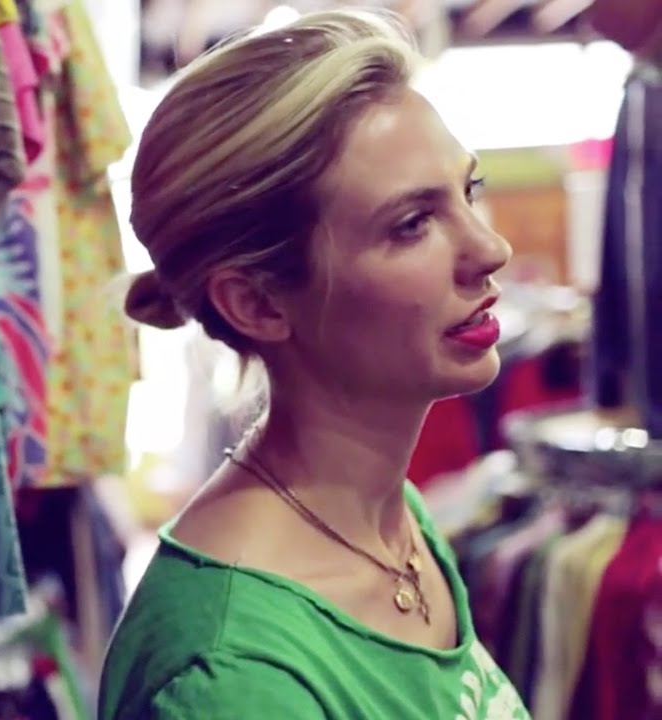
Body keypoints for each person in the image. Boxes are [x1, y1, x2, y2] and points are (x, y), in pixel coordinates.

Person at [98, 9, 531, 719]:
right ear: (257, 303)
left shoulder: (391, 521)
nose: (490, 250)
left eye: (468, 192)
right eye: (412, 224)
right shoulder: (231, 679)